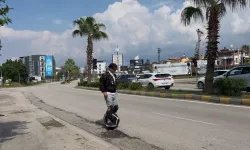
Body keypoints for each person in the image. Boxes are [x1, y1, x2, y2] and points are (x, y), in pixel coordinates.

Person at [99, 63, 119, 127]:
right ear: (110, 68)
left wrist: (116, 90)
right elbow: (101, 84)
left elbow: (114, 84)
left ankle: (107, 116)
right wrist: (104, 91)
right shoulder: (105, 75)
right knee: (110, 108)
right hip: (108, 93)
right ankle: (110, 121)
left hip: (113, 93)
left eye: (115, 69)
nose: (115, 70)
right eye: (114, 69)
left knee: (115, 107)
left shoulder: (114, 75)